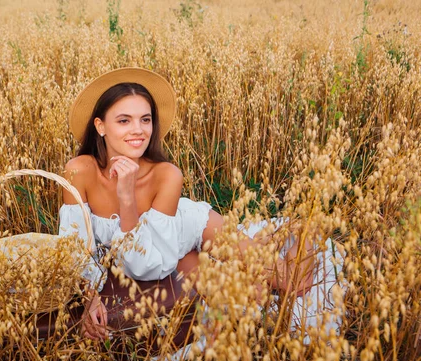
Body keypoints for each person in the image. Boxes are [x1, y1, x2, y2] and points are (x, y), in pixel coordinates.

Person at [58, 67, 338, 341]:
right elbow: (74, 249)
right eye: (124, 121)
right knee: (255, 297)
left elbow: (146, 268)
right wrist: (89, 297)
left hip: (190, 229)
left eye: (145, 119)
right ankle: (266, 240)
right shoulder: (78, 172)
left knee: (292, 282)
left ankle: (304, 230)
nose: (138, 130)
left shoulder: (166, 174)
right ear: (100, 126)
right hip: (171, 253)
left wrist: (127, 196)